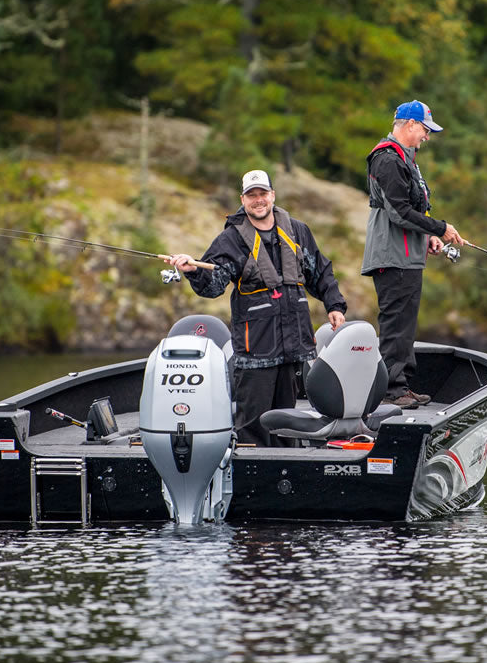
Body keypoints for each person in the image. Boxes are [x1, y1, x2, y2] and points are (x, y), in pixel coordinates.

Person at [167, 169, 347, 445]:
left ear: (272, 195)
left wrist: (334, 304)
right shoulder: (230, 240)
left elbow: (320, 271)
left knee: (287, 424)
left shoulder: (297, 230)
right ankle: (252, 483)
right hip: (255, 353)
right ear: (243, 199)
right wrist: (193, 270)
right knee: (253, 429)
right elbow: (212, 286)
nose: (258, 200)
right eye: (252, 195)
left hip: (293, 348)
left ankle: (286, 475)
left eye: (263, 193)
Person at [361, 100, 465, 409]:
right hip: (392, 257)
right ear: (409, 124)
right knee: (396, 325)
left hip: (406, 256)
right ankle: (392, 391)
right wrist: (441, 227)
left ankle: (400, 386)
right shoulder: (388, 159)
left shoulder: (407, 159)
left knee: (405, 325)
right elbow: (399, 212)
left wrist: (429, 235)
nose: (427, 136)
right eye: (425, 129)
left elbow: (409, 211)